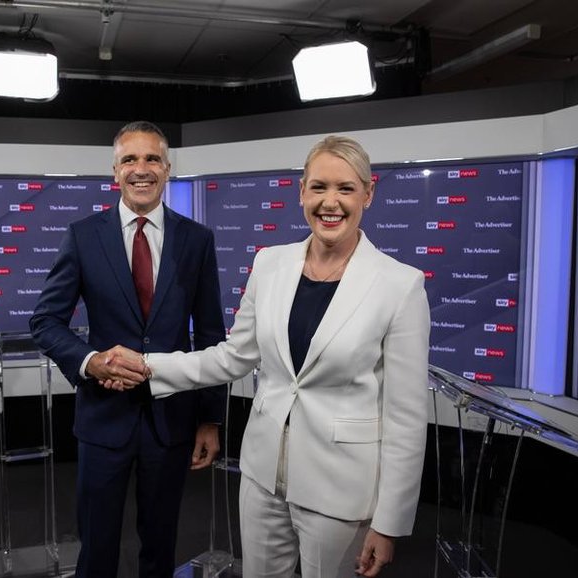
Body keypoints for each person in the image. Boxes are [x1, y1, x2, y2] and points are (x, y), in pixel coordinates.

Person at [103, 135, 431, 578]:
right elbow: (233, 357)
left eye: (345, 189)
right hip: (261, 479)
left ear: (368, 194)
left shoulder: (400, 285)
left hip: (341, 492)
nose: (329, 202)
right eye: (318, 188)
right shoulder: (270, 264)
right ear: (301, 193)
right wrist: (148, 366)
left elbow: (406, 418)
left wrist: (390, 523)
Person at [29, 121, 227, 578]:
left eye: (152, 159)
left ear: (168, 169)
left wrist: (210, 418)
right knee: (96, 546)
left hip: (171, 422)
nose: (142, 169)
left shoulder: (197, 240)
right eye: (130, 160)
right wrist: (90, 362)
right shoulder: (83, 236)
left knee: (161, 544)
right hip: (103, 419)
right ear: (114, 172)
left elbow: (212, 334)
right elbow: (45, 320)